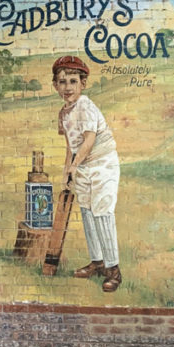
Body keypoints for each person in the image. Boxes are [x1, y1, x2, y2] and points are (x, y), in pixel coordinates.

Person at [52, 55, 122, 293]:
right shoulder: (63, 113)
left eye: (73, 81)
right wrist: (67, 171)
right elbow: (70, 146)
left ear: (83, 84)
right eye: (62, 82)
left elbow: (89, 140)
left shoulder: (85, 106)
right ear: (55, 85)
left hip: (103, 164)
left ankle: (113, 270)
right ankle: (97, 262)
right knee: (87, 212)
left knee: (102, 212)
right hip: (82, 166)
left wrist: (74, 165)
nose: (68, 87)